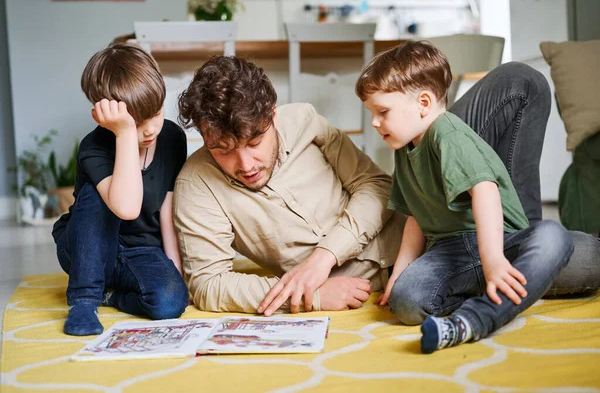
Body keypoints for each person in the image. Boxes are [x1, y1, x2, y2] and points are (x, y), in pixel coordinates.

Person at [173, 55, 600, 317]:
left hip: (425, 193)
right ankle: (519, 243)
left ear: (271, 114)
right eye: (223, 148)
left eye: (254, 142)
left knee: (519, 81)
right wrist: (314, 295)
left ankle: (514, 232)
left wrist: (325, 256)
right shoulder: (197, 184)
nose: (244, 163)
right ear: (204, 138)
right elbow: (209, 285)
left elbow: (377, 186)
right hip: (432, 258)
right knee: (585, 261)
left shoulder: (302, 119)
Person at [356, 41, 574, 354]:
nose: (375, 122)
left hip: (503, 239)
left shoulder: (448, 133)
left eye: (383, 112)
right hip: (450, 251)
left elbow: (485, 190)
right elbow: (415, 217)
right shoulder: (403, 149)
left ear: (424, 102)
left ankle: (471, 321)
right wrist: (400, 274)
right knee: (406, 303)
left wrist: (494, 259)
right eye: (372, 113)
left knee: (554, 238)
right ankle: (492, 293)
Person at [52, 43, 189, 336]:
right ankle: (84, 299)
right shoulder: (94, 147)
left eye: (155, 113)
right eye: (138, 123)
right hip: (86, 249)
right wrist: (124, 133)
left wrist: (174, 268)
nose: (151, 129)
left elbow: (167, 208)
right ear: (105, 118)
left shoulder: (172, 138)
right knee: (98, 193)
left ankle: (109, 295)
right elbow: (126, 206)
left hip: (139, 250)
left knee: (170, 302)